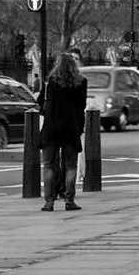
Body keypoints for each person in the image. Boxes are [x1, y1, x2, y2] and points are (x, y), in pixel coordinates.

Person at [39, 51, 87, 212]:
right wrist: (80, 127)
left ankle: (49, 201)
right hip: (70, 127)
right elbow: (81, 106)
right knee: (71, 165)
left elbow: (42, 103)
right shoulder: (81, 82)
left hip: (52, 127)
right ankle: (69, 200)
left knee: (48, 165)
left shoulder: (52, 81)